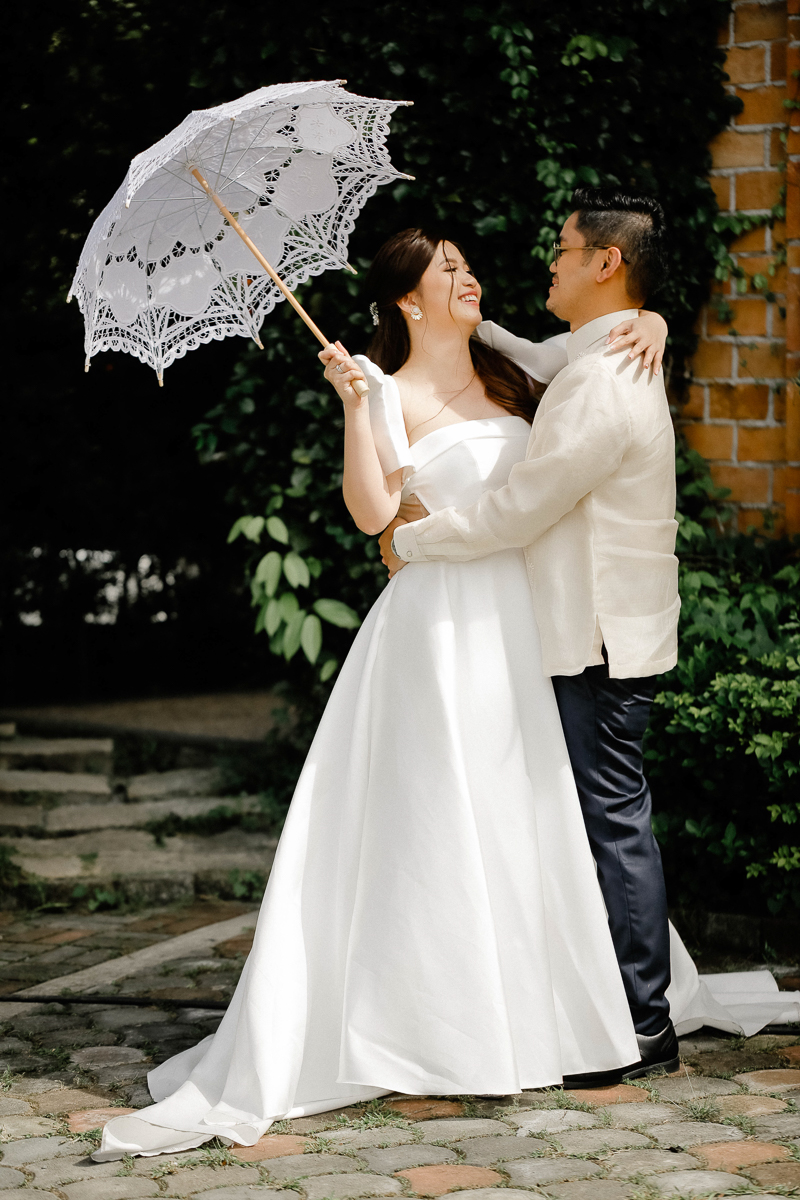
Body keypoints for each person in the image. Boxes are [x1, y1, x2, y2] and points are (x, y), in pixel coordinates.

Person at [92, 225, 669, 1162]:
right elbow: (372, 517)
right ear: (409, 298)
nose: (471, 277)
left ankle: (549, 1017)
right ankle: (432, 1026)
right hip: (434, 631)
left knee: (522, 816)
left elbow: (596, 362)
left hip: (523, 626)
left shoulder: (517, 373)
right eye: (450, 270)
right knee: (436, 823)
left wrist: (656, 321)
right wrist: (356, 407)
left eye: (468, 264)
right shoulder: (382, 388)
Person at [380, 188, 680, 1081]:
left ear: (606, 262)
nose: (549, 262)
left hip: (599, 637)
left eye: (563, 249)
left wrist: (412, 543)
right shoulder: (605, 350)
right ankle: (614, 1007)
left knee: (611, 823)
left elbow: (519, 508)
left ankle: (644, 1024)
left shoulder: (604, 382)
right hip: (593, 628)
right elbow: (543, 353)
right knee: (597, 818)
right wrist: (653, 316)